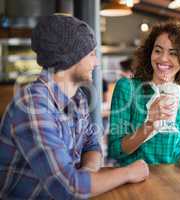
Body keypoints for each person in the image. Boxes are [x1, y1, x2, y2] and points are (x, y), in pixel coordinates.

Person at [0, 15, 148, 199]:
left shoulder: (78, 99)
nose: (96, 62)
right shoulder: (32, 105)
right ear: (71, 57)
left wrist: (85, 173)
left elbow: (92, 146)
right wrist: (129, 172)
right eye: (92, 54)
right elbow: (68, 188)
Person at [108, 20, 180, 169]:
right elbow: (115, 151)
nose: (163, 58)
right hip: (133, 177)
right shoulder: (127, 88)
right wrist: (149, 126)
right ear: (149, 52)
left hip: (174, 177)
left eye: (173, 53)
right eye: (158, 50)